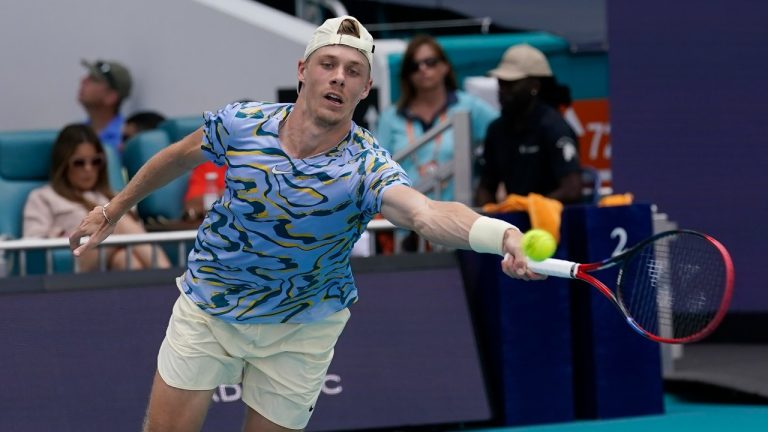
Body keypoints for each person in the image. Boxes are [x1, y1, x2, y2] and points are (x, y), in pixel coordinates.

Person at [69, 16, 541, 432]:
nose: (338, 78)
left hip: (302, 326)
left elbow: (426, 213)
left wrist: (499, 233)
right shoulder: (241, 123)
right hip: (211, 302)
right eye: (328, 64)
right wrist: (113, 209)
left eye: (353, 71)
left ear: (365, 89)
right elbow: (176, 158)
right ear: (302, 71)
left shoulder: (366, 166)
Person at [23, 123, 170, 272]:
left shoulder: (115, 196)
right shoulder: (43, 197)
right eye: (79, 163)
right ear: (63, 164)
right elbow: (33, 248)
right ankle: (168, 276)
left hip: (107, 263)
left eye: (95, 161)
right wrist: (60, 234)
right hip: (72, 262)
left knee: (126, 259)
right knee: (118, 219)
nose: (89, 169)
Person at [376, 34, 498, 201]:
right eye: (414, 66)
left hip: (458, 217)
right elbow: (376, 171)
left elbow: (504, 137)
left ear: (445, 66)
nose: (423, 69)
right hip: (406, 221)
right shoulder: (391, 116)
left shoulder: (469, 106)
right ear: (407, 74)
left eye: (430, 62)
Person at [476, 44, 583, 206]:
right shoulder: (496, 130)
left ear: (534, 86)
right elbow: (486, 187)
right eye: (500, 82)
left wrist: (529, 208)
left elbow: (572, 189)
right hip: (514, 226)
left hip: (554, 224)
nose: (502, 90)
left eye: (511, 83)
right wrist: (492, 220)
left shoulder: (554, 127)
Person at [78, 59, 133, 157]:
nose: (83, 80)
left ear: (111, 96)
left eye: (94, 79)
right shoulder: (77, 132)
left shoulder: (124, 137)